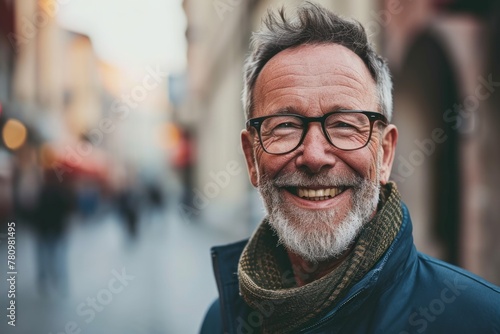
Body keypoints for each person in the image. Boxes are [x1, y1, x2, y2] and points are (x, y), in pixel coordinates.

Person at [200, 3, 500, 334]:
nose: (314, 156)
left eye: (344, 124)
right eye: (284, 125)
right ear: (251, 158)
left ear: (385, 155)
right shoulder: (221, 322)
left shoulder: (481, 320)